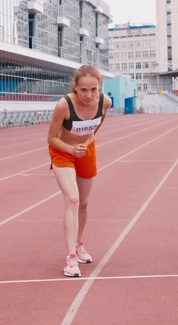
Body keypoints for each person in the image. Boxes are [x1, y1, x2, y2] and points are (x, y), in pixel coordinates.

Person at [47, 65, 112, 277]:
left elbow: (96, 126)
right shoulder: (63, 106)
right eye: (83, 90)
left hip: (86, 150)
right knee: (72, 200)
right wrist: (71, 149)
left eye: (93, 89)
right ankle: (70, 258)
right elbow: (51, 138)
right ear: (75, 87)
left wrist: (86, 142)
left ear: (100, 87)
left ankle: (78, 244)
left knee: (84, 202)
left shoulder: (106, 102)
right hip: (63, 151)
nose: (89, 95)